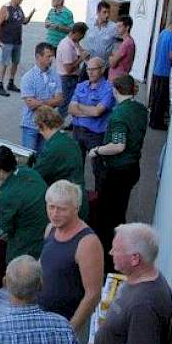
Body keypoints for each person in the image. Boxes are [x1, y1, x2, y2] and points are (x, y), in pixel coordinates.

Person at [88, 75, 148, 271]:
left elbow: (118, 145)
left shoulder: (119, 115)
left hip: (118, 171)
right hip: (132, 168)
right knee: (119, 212)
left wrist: (97, 150)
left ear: (115, 91)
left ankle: (108, 262)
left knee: (107, 218)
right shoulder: (140, 109)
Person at [38, 180, 103, 331]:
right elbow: (43, 263)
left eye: (62, 209)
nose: (54, 214)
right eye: (51, 207)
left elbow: (92, 294)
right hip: (42, 316)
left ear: (76, 209)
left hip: (65, 322)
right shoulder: (51, 229)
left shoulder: (87, 243)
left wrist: (70, 330)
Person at [0, 146, 48, 262]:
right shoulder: (27, 172)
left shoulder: (7, 197)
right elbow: (12, 189)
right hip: (45, 238)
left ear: (2, 171)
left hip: (25, 248)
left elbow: (2, 232)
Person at [32, 106, 88, 220]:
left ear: (43, 126)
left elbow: (36, 176)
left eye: (38, 128)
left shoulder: (54, 147)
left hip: (66, 204)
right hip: (76, 198)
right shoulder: (68, 140)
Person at [68, 57, 115, 190]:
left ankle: (100, 202)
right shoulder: (81, 85)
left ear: (102, 69)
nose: (90, 72)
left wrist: (80, 107)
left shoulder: (108, 88)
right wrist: (90, 110)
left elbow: (97, 112)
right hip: (77, 131)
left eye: (93, 69)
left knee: (99, 170)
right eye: (88, 69)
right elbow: (71, 109)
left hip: (96, 136)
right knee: (76, 168)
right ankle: (78, 201)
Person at [20, 43, 63, 153]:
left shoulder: (55, 75)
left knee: (44, 159)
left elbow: (59, 100)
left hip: (48, 126)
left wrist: (38, 102)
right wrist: (51, 101)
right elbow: (30, 104)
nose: (51, 59)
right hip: (31, 125)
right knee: (28, 158)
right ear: (38, 57)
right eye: (48, 56)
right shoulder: (28, 78)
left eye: (52, 56)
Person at [0, 0, 35, 96]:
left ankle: (11, 82)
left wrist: (31, 14)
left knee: (15, 62)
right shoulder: (5, 8)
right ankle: (0, 85)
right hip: (7, 41)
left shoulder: (19, 8)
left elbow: (24, 21)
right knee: (5, 63)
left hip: (17, 41)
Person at [149, 13, 172, 130]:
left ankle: (152, 120)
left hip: (157, 70)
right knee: (162, 99)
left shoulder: (163, 33)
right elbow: (171, 56)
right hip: (166, 71)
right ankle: (158, 122)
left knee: (155, 98)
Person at [55, 22, 89, 117]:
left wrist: (80, 49)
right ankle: (57, 126)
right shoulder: (67, 46)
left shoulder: (72, 42)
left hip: (70, 78)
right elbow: (68, 69)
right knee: (65, 104)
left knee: (69, 102)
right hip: (67, 78)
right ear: (77, 33)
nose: (82, 38)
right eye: (82, 36)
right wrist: (81, 59)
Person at [82, 1, 118, 79]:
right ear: (98, 12)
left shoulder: (113, 28)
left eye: (108, 12)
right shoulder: (89, 24)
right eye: (104, 12)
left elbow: (122, 41)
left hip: (102, 67)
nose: (107, 15)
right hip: (88, 64)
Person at [108, 16, 135, 82]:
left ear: (127, 27)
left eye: (120, 26)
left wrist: (111, 57)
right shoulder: (130, 41)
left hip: (117, 79)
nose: (117, 29)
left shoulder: (126, 43)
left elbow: (112, 63)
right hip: (119, 78)